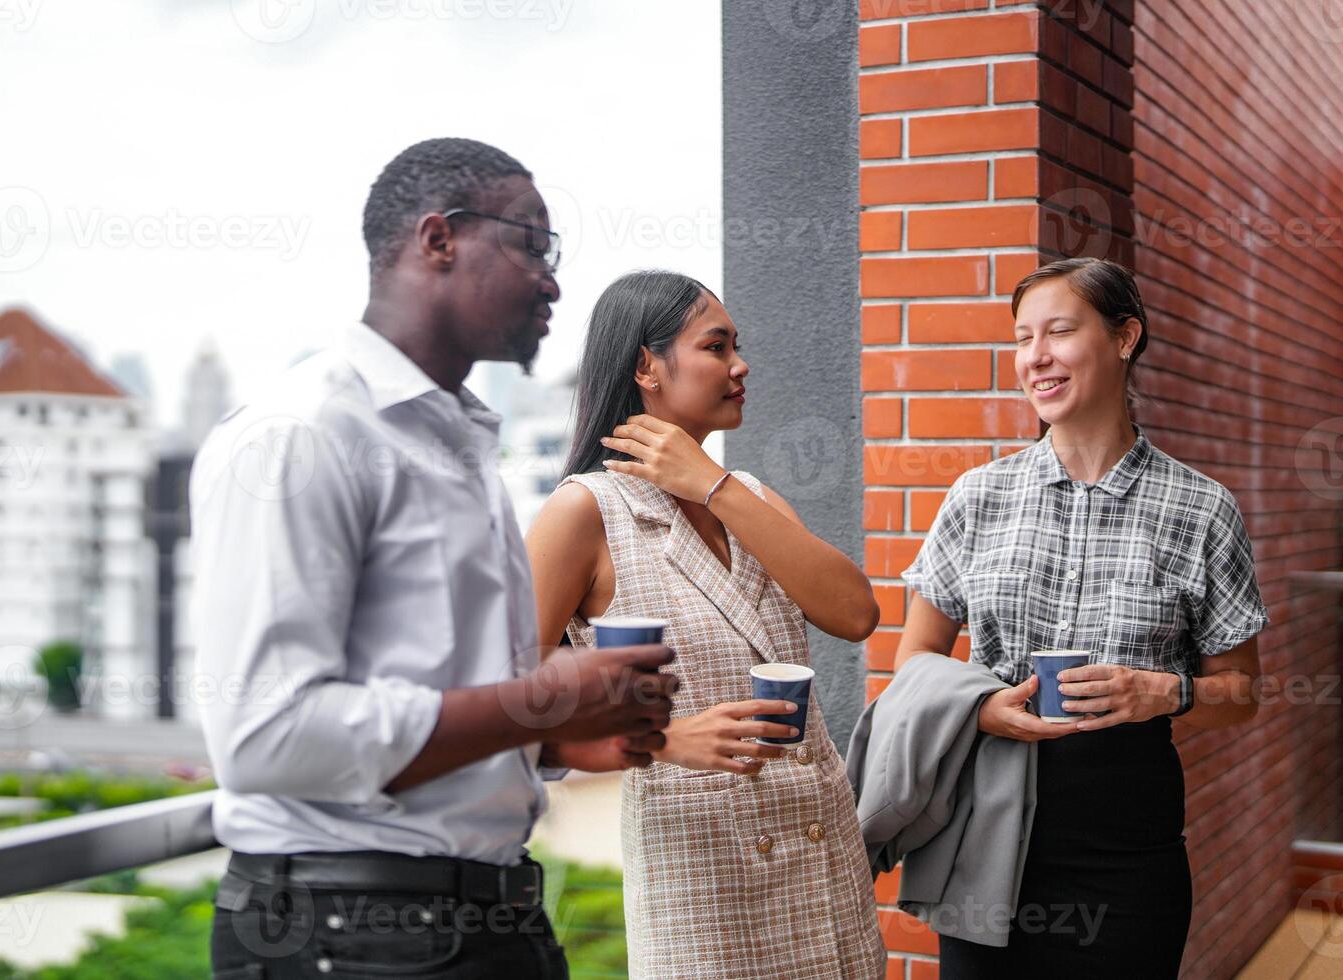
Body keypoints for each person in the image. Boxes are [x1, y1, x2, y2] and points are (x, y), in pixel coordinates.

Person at [193, 138, 679, 980]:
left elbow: (433, 698)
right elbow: (265, 736)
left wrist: (558, 738)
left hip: (482, 918)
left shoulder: (454, 439)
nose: (554, 281)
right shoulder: (301, 437)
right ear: (438, 239)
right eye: (532, 244)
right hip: (346, 937)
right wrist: (537, 703)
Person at [897, 257, 1268, 977]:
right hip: (987, 829)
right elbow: (914, 661)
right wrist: (981, 708)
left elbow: (1243, 692)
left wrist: (1161, 692)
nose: (1035, 356)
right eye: (1022, 337)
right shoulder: (978, 496)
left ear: (1125, 337)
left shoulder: (1201, 510)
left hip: (1127, 848)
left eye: (1059, 331)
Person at [526, 270, 887, 978]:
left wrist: (710, 483)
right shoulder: (585, 512)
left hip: (824, 860)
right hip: (705, 878)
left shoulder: (747, 496)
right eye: (716, 347)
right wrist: (660, 737)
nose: (740, 365)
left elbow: (855, 614)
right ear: (645, 367)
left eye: (737, 345)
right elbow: (511, 692)